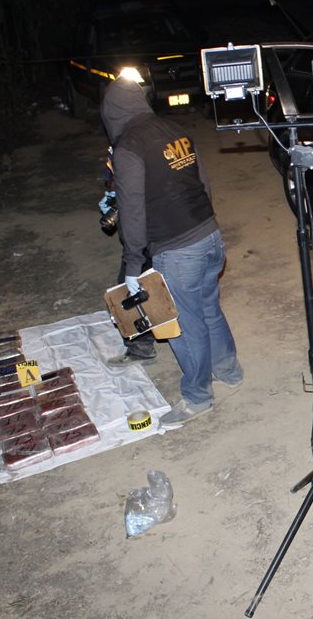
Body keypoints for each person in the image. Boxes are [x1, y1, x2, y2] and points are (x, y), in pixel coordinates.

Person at [101, 76, 242, 425]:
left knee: (182, 323)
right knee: (208, 308)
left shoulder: (129, 146)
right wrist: (205, 223)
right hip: (209, 235)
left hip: (178, 250)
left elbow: (132, 210)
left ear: (112, 112)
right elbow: (202, 182)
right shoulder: (174, 128)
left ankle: (197, 397)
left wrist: (134, 265)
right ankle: (230, 371)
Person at [98, 148, 156, 364]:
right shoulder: (121, 147)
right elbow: (111, 180)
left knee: (128, 289)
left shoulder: (130, 146)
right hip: (157, 227)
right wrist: (112, 200)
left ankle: (141, 348)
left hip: (148, 228)